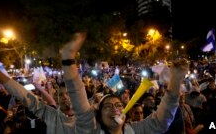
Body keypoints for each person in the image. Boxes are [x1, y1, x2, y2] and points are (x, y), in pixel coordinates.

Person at [59, 32, 189, 133]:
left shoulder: (135, 130)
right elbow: (78, 100)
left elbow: (162, 120)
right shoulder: (90, 130)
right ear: (99, 116)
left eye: (118, 105)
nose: (115, 109)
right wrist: (68, 59)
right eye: (108, 107)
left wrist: (175, 79)